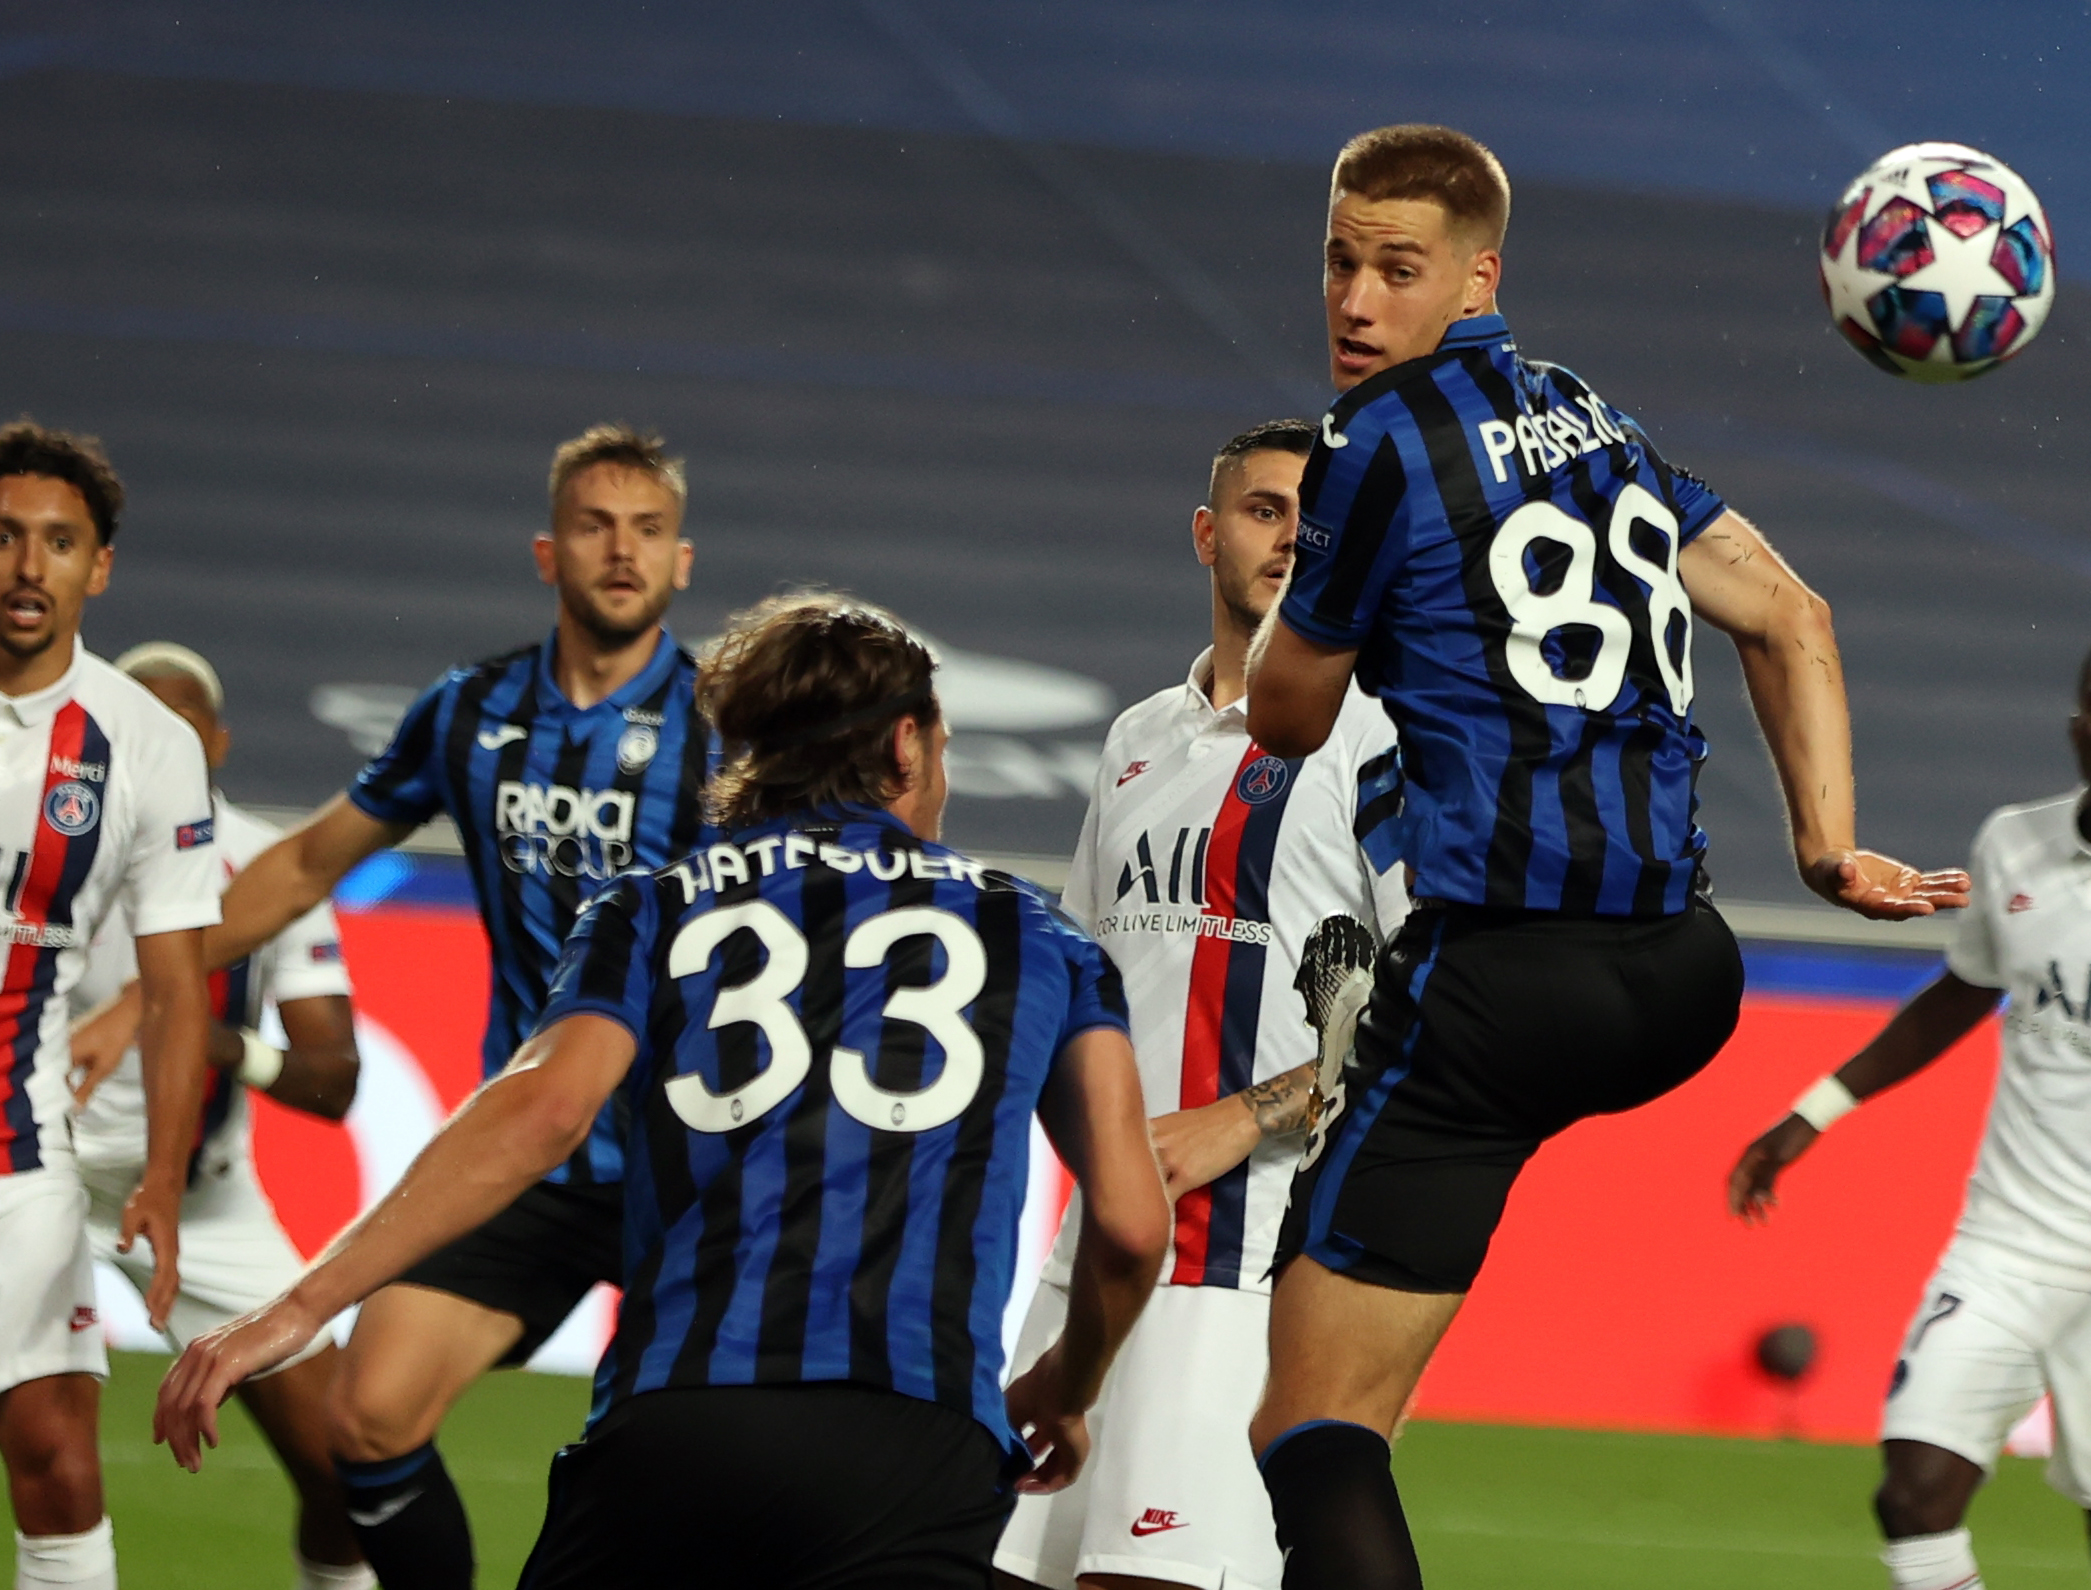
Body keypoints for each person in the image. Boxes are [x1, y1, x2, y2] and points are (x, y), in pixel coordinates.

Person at [1240, 124, 1973, 1587]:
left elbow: (1285, 711)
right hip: (1685, 973)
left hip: (1507, 978)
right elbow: (1790, 614)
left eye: (1397, 270)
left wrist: (1334, 600)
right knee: (1388, 1325)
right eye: (1339, 262)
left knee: (1312, 1421)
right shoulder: (1588, 413)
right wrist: (1826, 847)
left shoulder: (1374, 445)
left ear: (1476, 277)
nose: (1355, 302)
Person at [156, 593, 1173, 1590]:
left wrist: (297, 1307)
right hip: (916, 1436)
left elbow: (544, 1110)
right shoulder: (1039, 937)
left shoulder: (654, 907)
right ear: (906, 745)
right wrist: (1066, 1385)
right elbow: (1129, 1225)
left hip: (683, 1417)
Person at [78, 423, 709, 1588]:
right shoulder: (469, 713)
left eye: (648, 530)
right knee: (365, 1419)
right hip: (531, 1156)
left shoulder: (726, 731)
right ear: (545, 551)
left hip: (703, 1171)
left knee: (694, 1473)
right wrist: (157, 993)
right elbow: (311, 861)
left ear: (682, 562)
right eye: (594, 526)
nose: (621, 552)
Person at [1729, 626, 2091, 1590]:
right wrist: (1815, 1111)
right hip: (2001, 1244)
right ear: (2077, 724)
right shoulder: (2012, 843)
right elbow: (1961, 993)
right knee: (1911, 1496)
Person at [995, 419, 1407, 1590]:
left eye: (1310, 519)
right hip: (1096, 1249)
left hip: (1243, 1264)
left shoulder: (1377, 738)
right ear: (1205, 534)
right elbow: (1081, 974)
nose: (1287, 538)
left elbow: (1435, 991)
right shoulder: (1139, 740)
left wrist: (1245, 1115)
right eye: (1261, 510)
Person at [67, 642, 371, 1590]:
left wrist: (227, 1045)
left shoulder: (258, 871)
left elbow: (333, 1083)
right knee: (51, 1458)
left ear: (221, 745)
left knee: (348, 1470)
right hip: (38, 1181)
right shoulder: (48, 832)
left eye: (184, 729)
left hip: (202, 1210)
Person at [0, 422, 218, 1590]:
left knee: (58, 1466)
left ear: (100, 567)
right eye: (4, 538)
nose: (28, 567)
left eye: (58, 542)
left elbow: (178, 990)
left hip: (14, 1149)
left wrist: (164, 1181)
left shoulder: (146, 743)